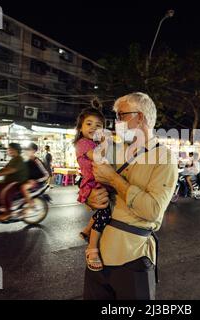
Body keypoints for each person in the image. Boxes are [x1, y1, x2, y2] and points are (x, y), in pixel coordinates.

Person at [83, 92, 178, 300]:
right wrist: (90, 199)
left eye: (121, 115)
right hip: (98, 253)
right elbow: (91, 186)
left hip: (132, 255)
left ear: (140, 117)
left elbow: (152, 210)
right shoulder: (115, 150)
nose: (116, 122)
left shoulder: (164, 158)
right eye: (116, 116)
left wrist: (114, 180)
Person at [74, 107, 110, 272]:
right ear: (80, 127)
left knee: (103, 211)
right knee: (104, 214)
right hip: (92, 184)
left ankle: (86, 230)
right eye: (89, 123)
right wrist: (105, 142)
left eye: (98, 125)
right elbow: (98, 157)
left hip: (96, 182)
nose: (94, 128)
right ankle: (92, 249)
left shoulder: (91, 143)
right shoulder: (83, 143)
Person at [0, 143, 29, 222]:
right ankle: (0, 204)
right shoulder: (13, 159)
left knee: (4, 192)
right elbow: (5, 169)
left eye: (9, 149)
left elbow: (11, 170)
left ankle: (8, 213)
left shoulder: (19, 159)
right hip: (8, 182)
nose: (8, 151)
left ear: (15, 150)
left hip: (16, 182)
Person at [21, 143, 50, 212]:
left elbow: (46, 175)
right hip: (28, 181)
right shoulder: (26, 161)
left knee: (23, 188)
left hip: (38, 183)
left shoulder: (37, 161)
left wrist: (36, 181)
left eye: (29, 150)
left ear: (33, 151)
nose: (26, 151)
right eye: (26, 150)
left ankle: (32, 205)